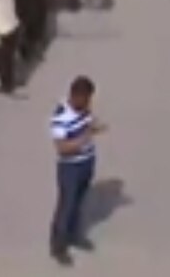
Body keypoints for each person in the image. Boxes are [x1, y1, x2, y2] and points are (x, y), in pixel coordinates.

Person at [49, 75, 104, 264]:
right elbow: (62, 148)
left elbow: (87, 121)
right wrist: (86, 137)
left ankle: (73, 236)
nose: (89, 103)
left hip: (86, 163)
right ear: (76, 96)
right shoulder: (60, 116)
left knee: (78, 203)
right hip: (70, 168)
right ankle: (58, 245)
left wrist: (94, 125)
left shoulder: (83, 108)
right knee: (66, 206)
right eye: (86, 99)